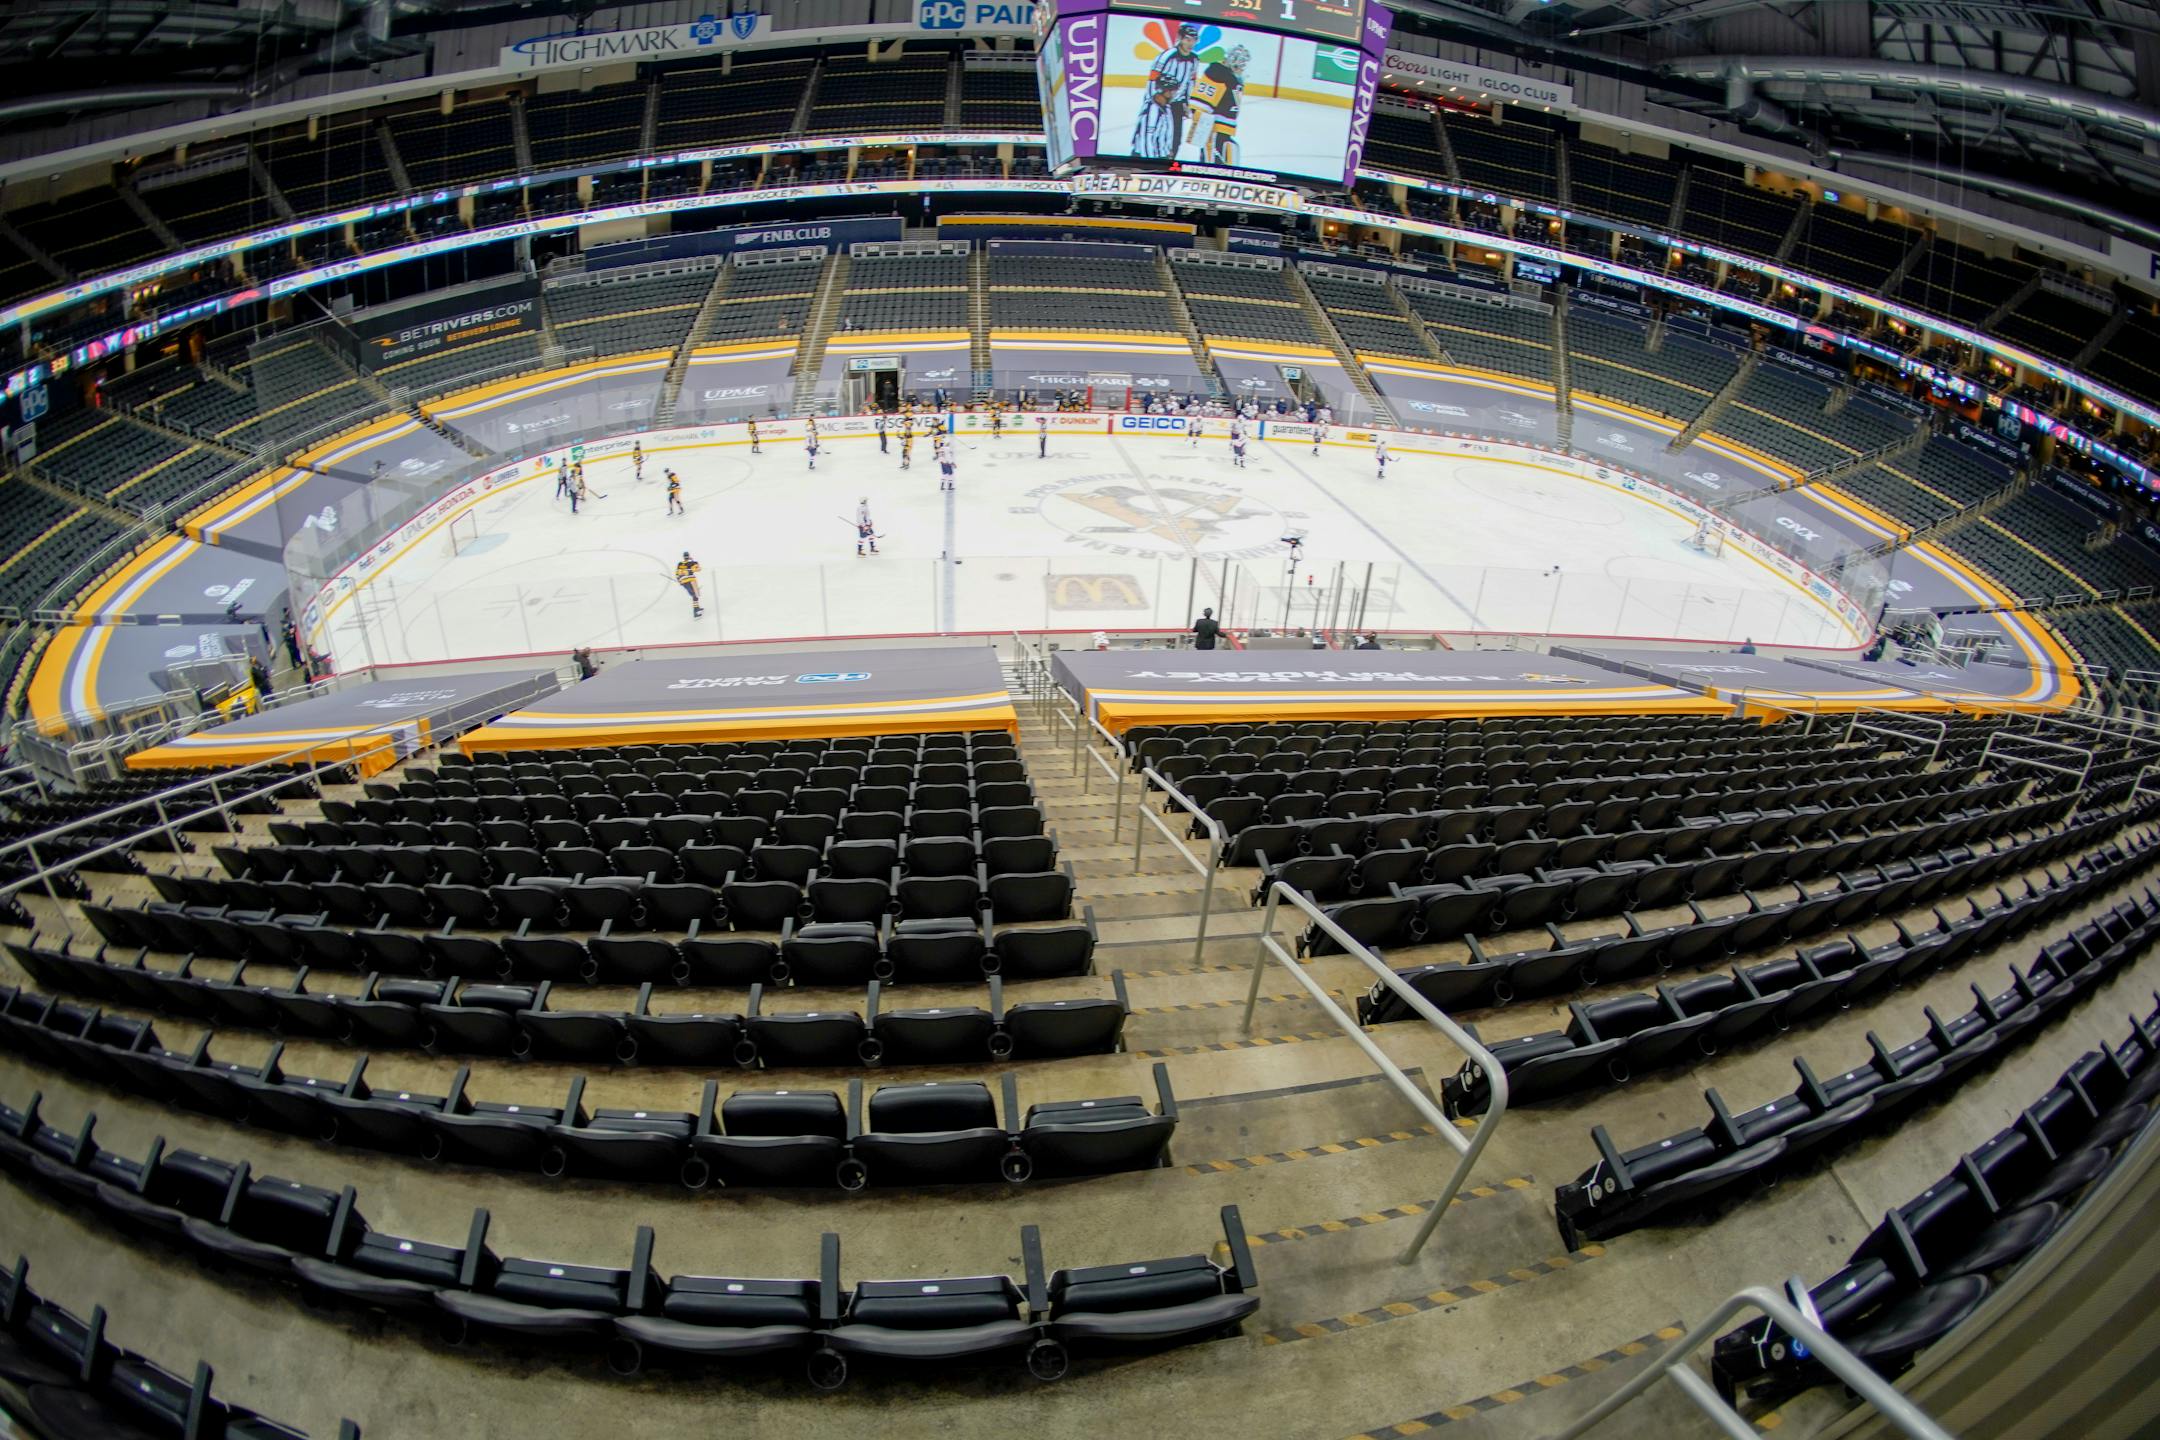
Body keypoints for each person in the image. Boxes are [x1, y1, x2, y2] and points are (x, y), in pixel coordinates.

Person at [1132, 24, 1202, 159]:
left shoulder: (1194, 59)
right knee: (1150, 132)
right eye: (1187, 39)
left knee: (1175, 138)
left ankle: (1168, 165)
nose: (1191, 43)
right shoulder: (1166, 56)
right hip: (1160, 101)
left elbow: (1190, 82)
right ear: (1180, 38)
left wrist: (1187, 103)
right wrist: (1152, 101)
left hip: (1177, 103)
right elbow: (1152, 79)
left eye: (1194, 40)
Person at [1184, 44, 1249, 165]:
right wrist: (1203, 132)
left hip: (1223, 132)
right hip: (1214, 131)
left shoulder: (1232, 78)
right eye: (1241, 63)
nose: (1243, 67)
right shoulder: (1218, 73)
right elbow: (1199, 104)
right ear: (1233, 61)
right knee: (1211, 166)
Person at [675, 551, 704, 618]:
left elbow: (677, 573)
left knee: (694, 595)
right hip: (691, 581)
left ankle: (697, 608)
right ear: (688, 556)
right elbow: (698, 569)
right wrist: (693, 560)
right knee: (695, 595)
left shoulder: (680, 563)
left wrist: (679, 580)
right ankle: (696, 611)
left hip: (684, 582)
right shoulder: (692, 563)